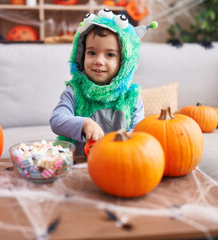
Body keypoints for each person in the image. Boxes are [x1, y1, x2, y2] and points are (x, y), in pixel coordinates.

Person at [50, 8, 157, 155]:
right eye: (92, 53)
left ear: (124, 62)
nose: (99, 61)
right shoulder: (74, 91)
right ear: (82, 55)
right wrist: (84, 124)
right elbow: (56, 120)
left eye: (110, 54)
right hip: (79, 165)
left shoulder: (131, 97)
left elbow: (138, 133)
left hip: (119, 162)